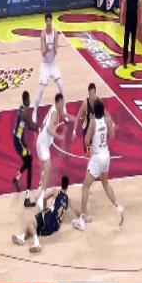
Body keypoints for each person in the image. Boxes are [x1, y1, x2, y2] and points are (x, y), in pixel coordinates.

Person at [72, 99, 124, 231]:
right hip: (106, 155)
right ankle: (118, 206)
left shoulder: (93, 122)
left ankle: (82, 219)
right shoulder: (107, 120)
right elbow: (112, 135)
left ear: (94, 111)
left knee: (85, 187)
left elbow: (86, 141)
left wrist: (91, 136)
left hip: (97, 158)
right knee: (105, 184)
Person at [12, 175, 78, 253]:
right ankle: (22, 237)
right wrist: (81, 217)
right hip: (55, 226)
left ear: (61, 184)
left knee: (31, 223)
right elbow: (76, 211)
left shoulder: (56, 191)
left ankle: (36, 243)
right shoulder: (68, 200)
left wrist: (44, 209)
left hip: (49, 217)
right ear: (67, 187)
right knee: (34, 227)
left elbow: (44, 198)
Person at [32, 13, 66, 124]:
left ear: (51, 21)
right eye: (47, 21)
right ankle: (34, 111)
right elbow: (43, 53)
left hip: (53, 64)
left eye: (50, 21)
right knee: (41, 90)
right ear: (45, 22)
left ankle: (63, 110)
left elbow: (56, 51)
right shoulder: (43, 34)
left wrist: (55, 47)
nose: (49, 23)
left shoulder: (55, 33)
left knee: (61, 86)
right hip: (45, 66)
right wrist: (47, 47)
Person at [35, 93, 67, 208]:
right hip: (43, 144)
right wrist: (59, 136)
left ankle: (41, 185)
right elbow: (49, 129)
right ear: (57, 102)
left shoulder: (54, 109)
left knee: (46, 168)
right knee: (48, 166)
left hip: (42, 141)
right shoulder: (54, 112)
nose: (63, 104)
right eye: (61, 103)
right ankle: (42, 194)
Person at [13, 91, 38, 204]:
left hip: (19, 141)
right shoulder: (25, 114)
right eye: (29, 99)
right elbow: (33, 126)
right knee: (30, 165)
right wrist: (39, 124)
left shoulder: (21, 109)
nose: (30, 101)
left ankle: (17, 178)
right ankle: (27, 198)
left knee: (29, 161)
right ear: (27, 100)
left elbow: (27, 126)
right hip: (19, 142)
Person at [120, 0, 142, 68]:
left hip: (134, 17)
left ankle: (132, 59)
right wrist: (121, 17)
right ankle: (125, 61)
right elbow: (123, 3)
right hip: (128, 17)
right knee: (126, 39)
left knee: (133, 39)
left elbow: (140, 5)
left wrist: (141, 18)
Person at [73, 83, 98, 153]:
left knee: (96, 152)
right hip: (87, 131)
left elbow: (103, 115)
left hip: (95, 130)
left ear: (95, 93)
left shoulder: (98, 102)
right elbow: (77, 117)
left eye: (93, 93)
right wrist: (74, 131)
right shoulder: (85, 104)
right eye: (90, 94)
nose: (91, 96)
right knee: (89, 152)